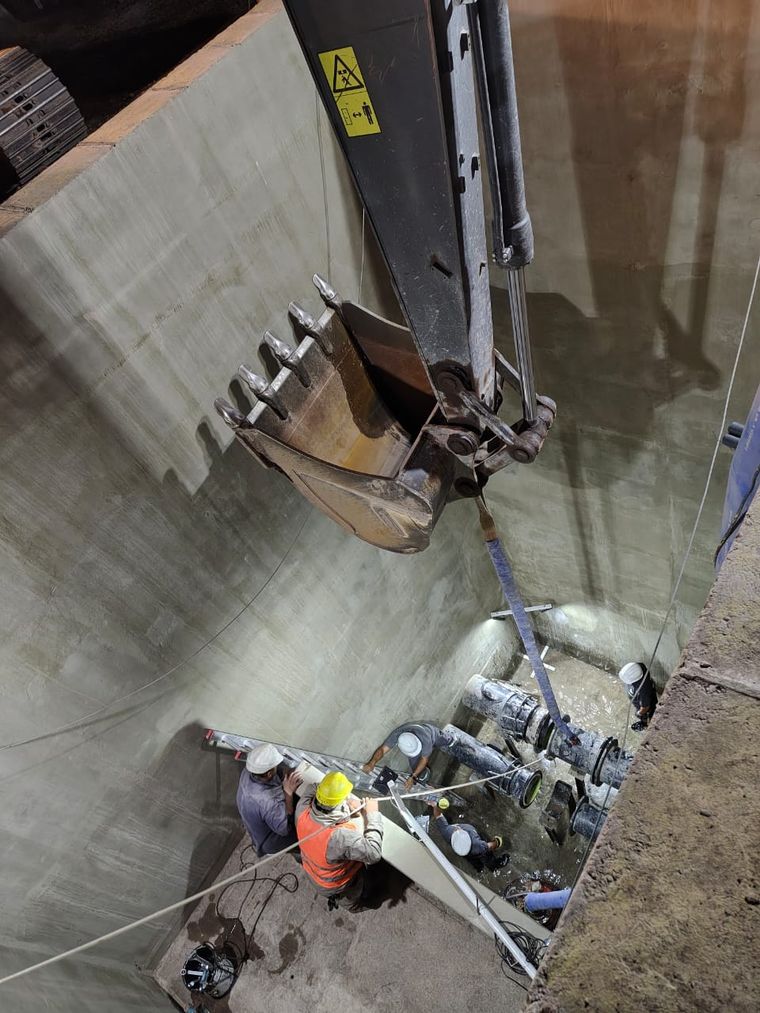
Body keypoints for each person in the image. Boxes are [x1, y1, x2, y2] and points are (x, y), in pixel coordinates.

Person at [296, 770, 384, 907]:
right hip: (335, 885)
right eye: (345, 797)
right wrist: (372, 814)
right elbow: (373, 853)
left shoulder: (301, 811)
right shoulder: (338, 837)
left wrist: (343, 800)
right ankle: (355, 906)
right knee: (353, 901)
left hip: (312, 873)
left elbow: (312, 787)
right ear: (339, 805)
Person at [236, 743, 302, 855]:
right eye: (275, 766)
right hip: (272, 839)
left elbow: (275, 775)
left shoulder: (248, 772)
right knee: (306, 833)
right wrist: (288, 793)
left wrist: (284, 773)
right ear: (269, 774)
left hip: (259, 828)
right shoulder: (266, 802)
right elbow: (284, 828)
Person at [363, 721, 453, 790]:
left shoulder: (426, 740)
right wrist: (372, 763)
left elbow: (424, 759)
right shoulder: (398, 734)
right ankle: (423, 775)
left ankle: (451, 741)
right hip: (415, 742)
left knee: (444, 740)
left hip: (432, 734)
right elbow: (382, 750)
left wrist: (412, 777)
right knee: (416, 767)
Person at [431, 802, 510, 872]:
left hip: (467, 854)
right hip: (477, 849)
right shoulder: (477, 844)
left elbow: (438, 815)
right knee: (487, 859)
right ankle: (492, 866)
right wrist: (497, 841)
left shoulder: (447, 832)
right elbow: (491, 845)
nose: (456, 829)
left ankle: (479, 867)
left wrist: (435, 805)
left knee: (476, 863)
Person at [618, 662, 658, 731]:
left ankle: (646, 724)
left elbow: (645, 707)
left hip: (647, 704)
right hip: (649, 693)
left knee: (648, 713)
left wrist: (639, 713)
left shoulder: (643, 690)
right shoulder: (640, 667)